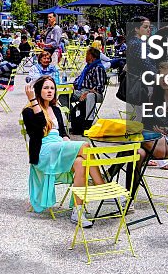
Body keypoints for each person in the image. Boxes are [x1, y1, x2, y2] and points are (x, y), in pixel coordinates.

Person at [23, 75, 105, 227]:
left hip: (58, 146)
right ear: (37, 90)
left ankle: (77, 211)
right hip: (44, 151)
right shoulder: (28, 111)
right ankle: (102, 186)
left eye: (52, 88)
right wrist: (34, 101)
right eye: (46, 88)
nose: (50, 91)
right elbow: (41, 128)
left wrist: (68, 142)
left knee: (80, 162)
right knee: (84, 145)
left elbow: (62, 133)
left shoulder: (55, 109)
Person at [69, 47, 109, 134]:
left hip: (95, 93)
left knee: (90, 96)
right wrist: (73, 85)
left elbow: (100, 87)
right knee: (63, 96)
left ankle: (88, 123)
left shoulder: (98, 68)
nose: (85, 56)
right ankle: (71, 118)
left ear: (92, 56)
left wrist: (88, 92)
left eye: (87, 54)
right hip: (80, 91)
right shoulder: (87, 67)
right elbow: (78, 79)